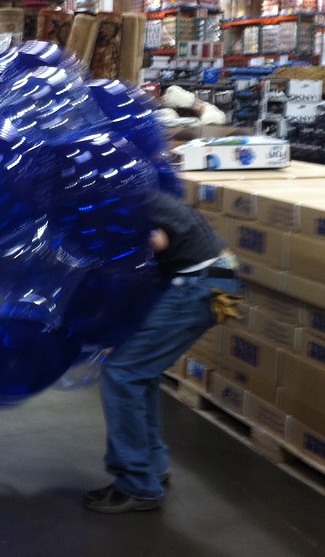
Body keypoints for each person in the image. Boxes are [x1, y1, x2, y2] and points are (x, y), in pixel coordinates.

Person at [84, 190, 241, 514]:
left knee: (122, 372)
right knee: (141, 372)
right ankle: (151, 467)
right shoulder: (136, 185)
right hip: (220, 271)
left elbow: (155, 241)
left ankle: (137, 485)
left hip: (199, 284)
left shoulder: (112, 199)